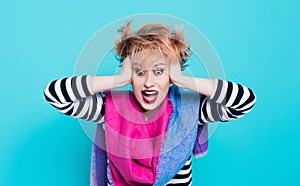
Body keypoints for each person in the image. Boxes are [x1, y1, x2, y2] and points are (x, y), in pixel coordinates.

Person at [44, 21, 256, 186]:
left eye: (159, 71)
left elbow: (244, 101)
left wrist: (183, 80)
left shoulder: (192, 110)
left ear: (171, 74)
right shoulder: (109, 109)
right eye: (139, 72)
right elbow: (55, 95)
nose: (148, 83)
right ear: (130, 75)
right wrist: (117, 80)